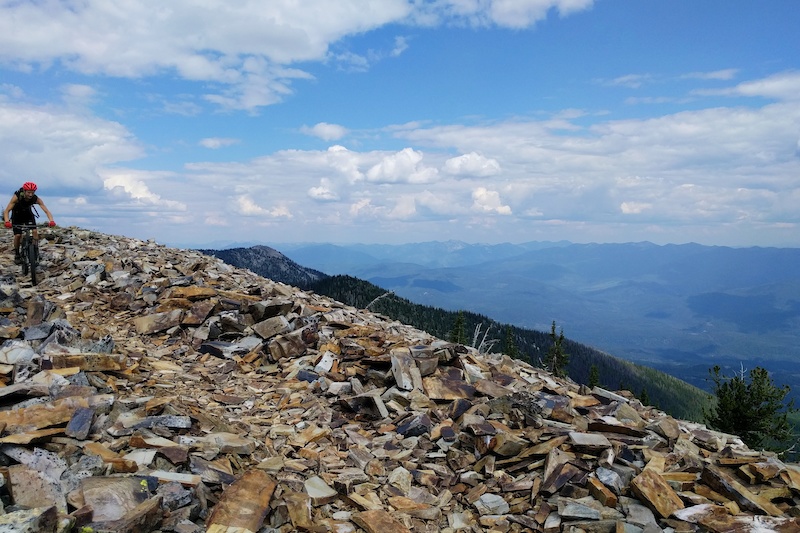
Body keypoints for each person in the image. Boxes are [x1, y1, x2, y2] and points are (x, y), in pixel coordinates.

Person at [3, 182, 56, 264]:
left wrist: (51, 220)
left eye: (32, 192)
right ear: (24, 191)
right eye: (28, 192)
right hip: (16, 215)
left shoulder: (35, 198)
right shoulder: (17, 197)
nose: (31, 195)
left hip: (28, 215)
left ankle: (35, 250)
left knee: (34, 231)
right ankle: (17, 254)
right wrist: (7, 221)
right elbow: (7, 211)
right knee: (18, 235)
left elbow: (46, 210)